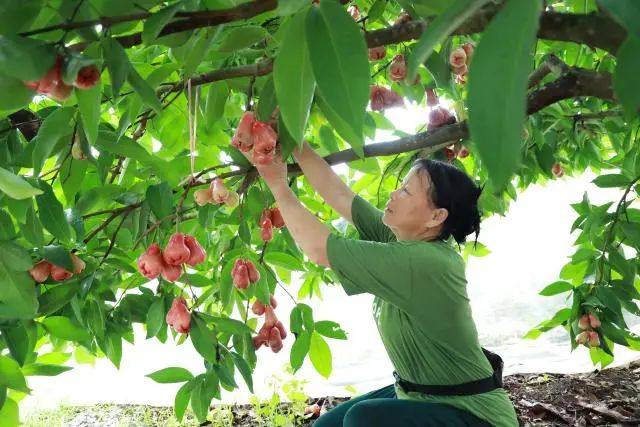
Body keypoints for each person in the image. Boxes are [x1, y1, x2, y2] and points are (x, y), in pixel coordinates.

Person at [242, 141, 518, 427]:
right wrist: (291, 139)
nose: (394, 193)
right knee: (326, 426)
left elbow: (320, 249)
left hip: (475, 415)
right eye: (401, 186)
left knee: (364, 420)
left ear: (436, 217)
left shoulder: (425, 261)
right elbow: (338, 194)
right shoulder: (404, 238)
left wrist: (277, 184)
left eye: (407, 192)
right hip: (419, 395)